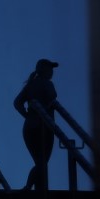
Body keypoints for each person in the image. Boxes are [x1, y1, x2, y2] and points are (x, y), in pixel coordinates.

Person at [13, 58, 59, 191]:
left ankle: (38, 189)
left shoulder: (30, 84)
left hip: (29, 127)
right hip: (44, 127)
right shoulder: (47, 83)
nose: (52, 72)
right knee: (42, 163)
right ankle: (29, 187)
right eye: (50, 68)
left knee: (40, 163)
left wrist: (27, 115)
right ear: (43, 70)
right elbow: (52, 96)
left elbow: (17, 103)